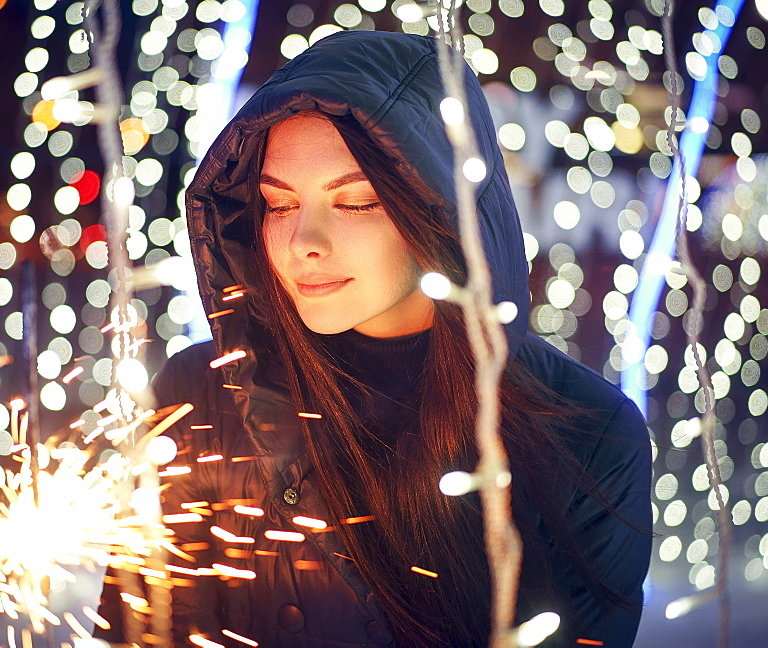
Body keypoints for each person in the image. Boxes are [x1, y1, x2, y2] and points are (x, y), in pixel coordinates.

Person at [97, 30, 652, 648]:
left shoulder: (587, 433)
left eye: (356, 203)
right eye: (278, 204)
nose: (304, 241)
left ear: (437, 208)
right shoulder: (203, 394)